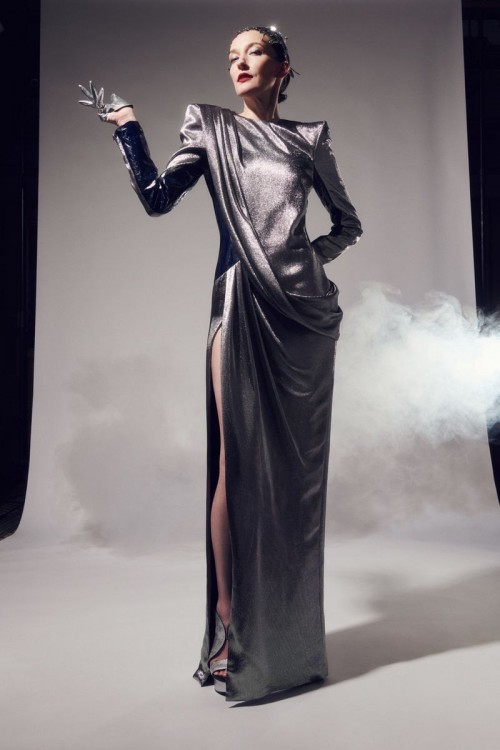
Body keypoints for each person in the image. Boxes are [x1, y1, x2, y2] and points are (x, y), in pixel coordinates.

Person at [78, 24, 362, 703]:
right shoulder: (209, 127)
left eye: (253, 52)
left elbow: (347, 224)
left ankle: (289, 638)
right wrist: (127, 127)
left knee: (295, 477)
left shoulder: (309, 138)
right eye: (232, 56)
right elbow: (156, 198)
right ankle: (233, 624)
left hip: (299, 318)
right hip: (238, 304)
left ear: (283, 66)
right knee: (238, 464)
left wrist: (307, 261)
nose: (239, 63)